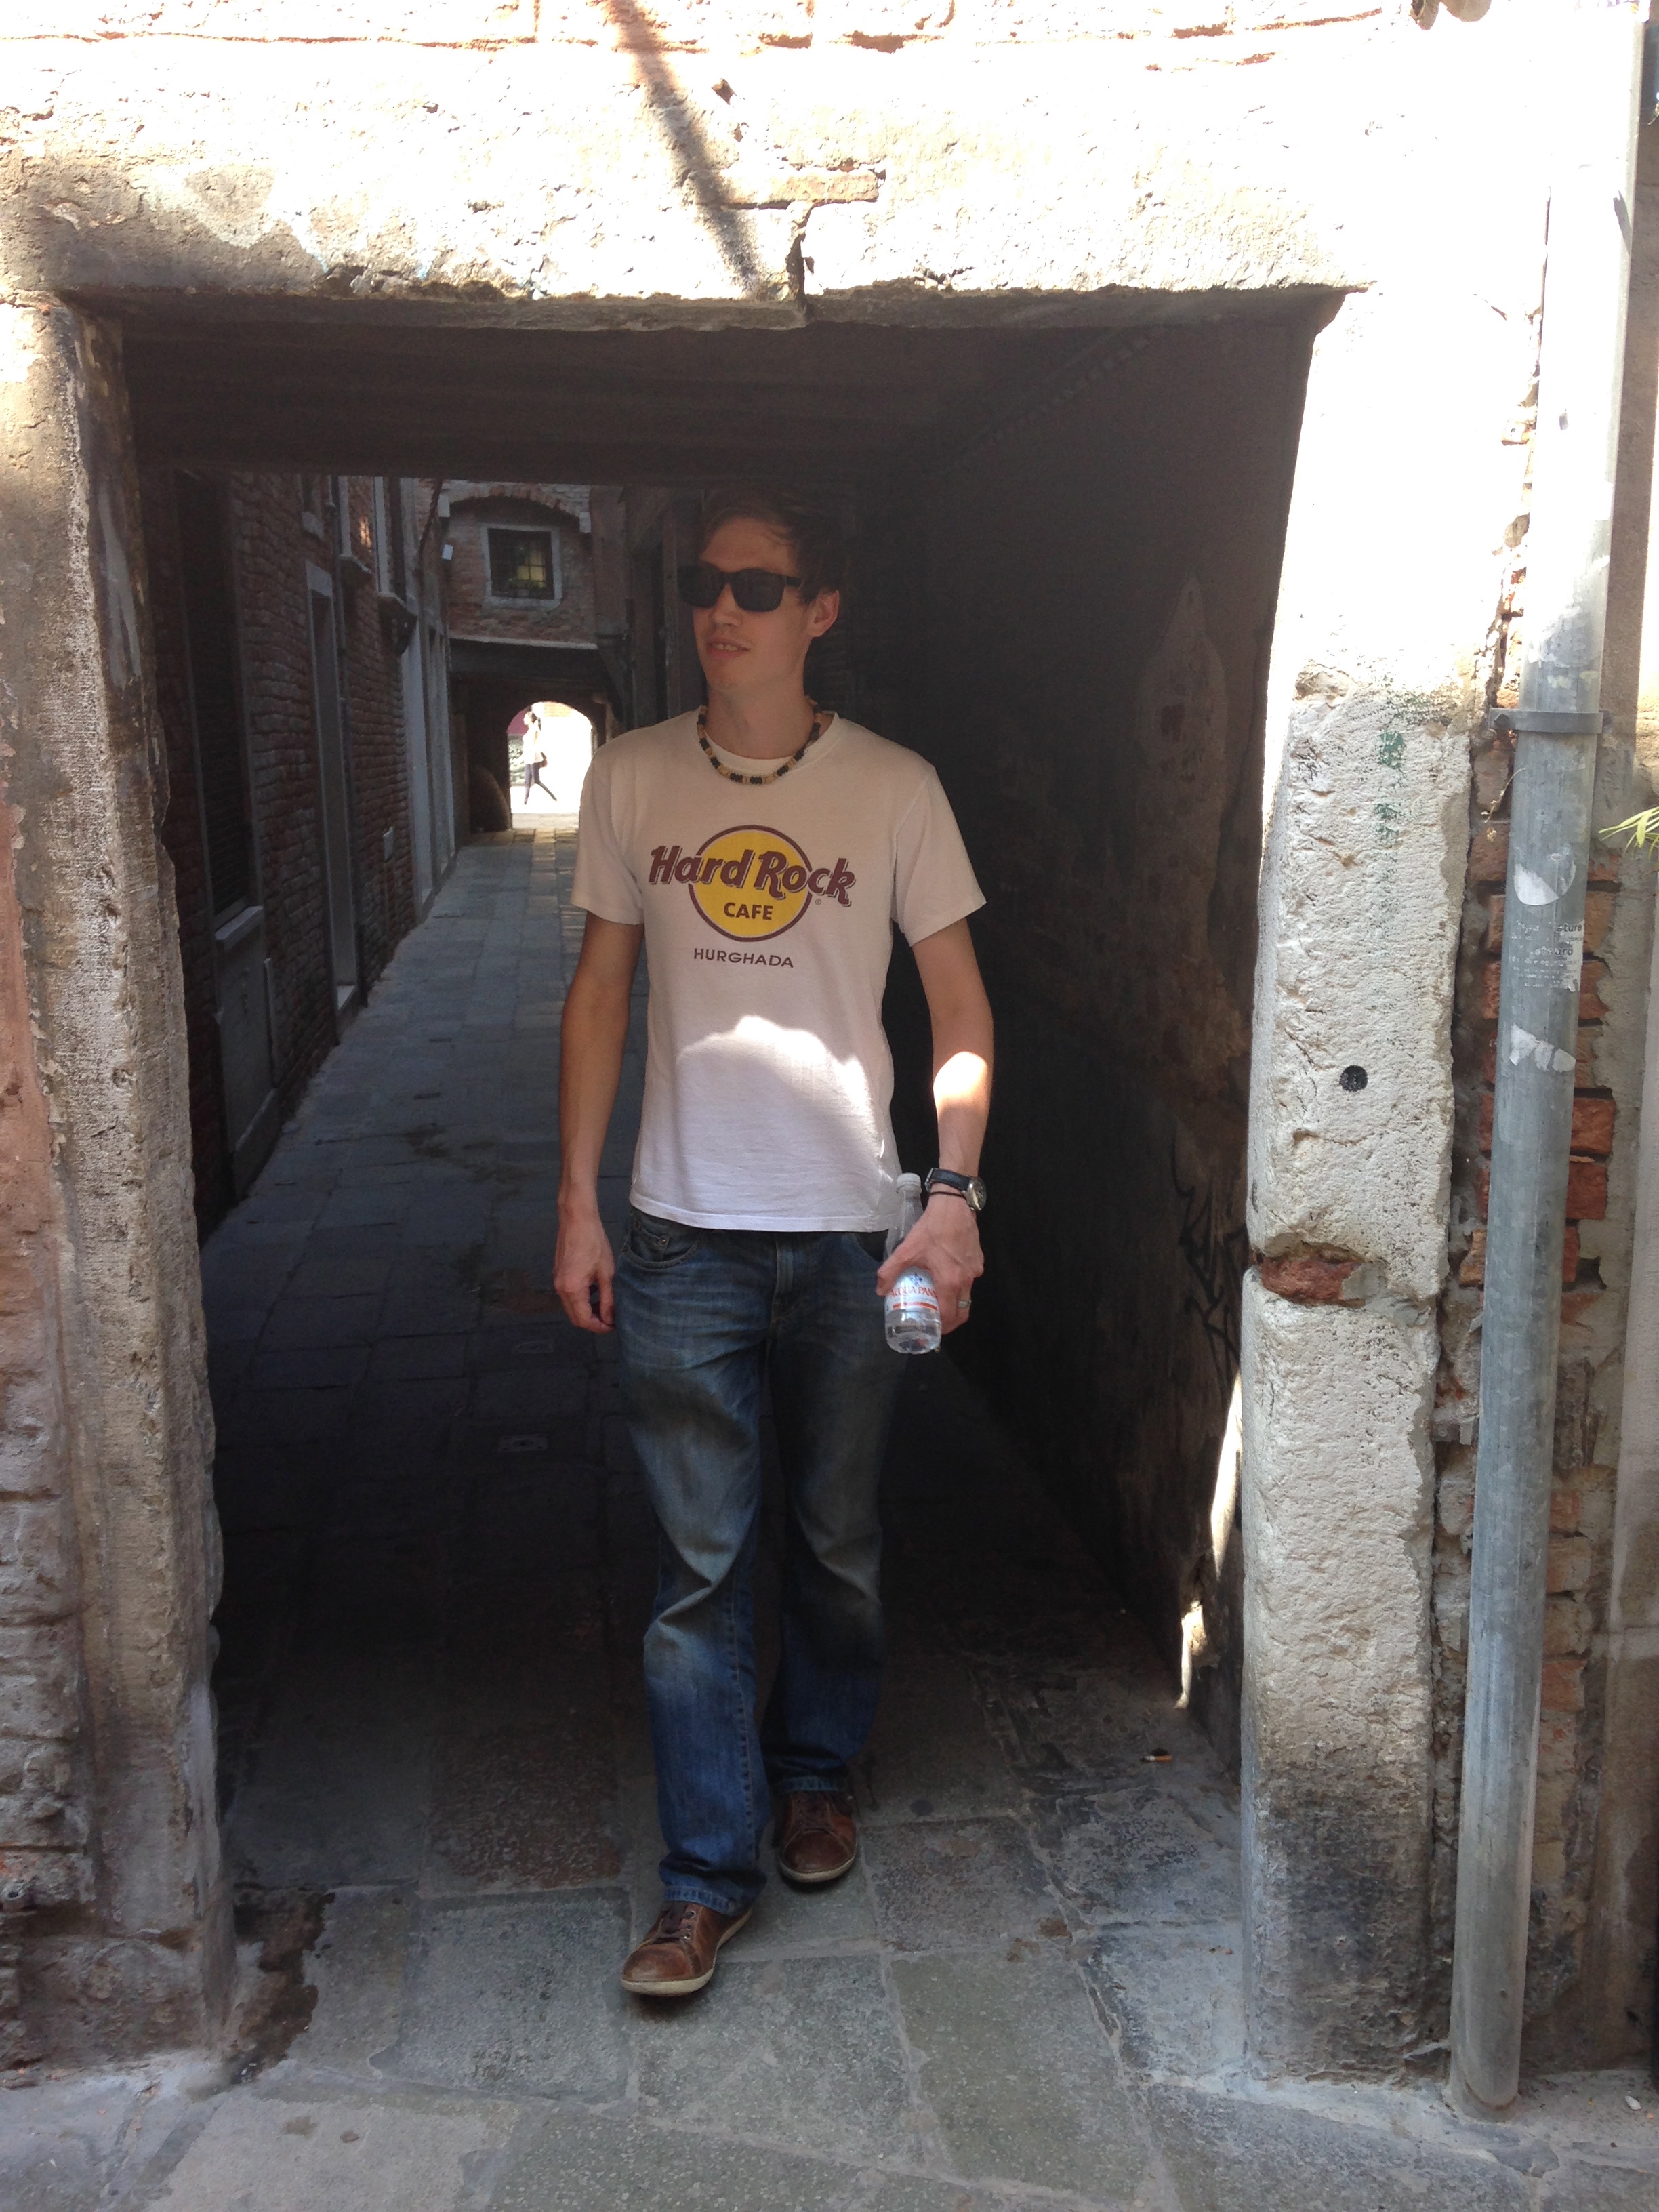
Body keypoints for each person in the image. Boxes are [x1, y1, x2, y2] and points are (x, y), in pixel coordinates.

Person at [554, 486, 994, 1999]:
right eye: (704, 583)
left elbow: (959, 1010)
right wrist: (574, 1198)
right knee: (698, 1571)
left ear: (821, 612)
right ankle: (701, 1877)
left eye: (757, 586)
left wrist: (953, 1193)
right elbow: (599, 997)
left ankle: (815, 1772)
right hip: (683, 1235)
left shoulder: (894, 787)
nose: (720, 609)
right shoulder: (631, 776)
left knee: (835, 1542)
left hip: (855, 1233)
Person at [520, 706, 550, 804]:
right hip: (528, 758)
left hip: (534, 758)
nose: (524, 719)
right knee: (527, 781)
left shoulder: (535, 730)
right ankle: (525, 801)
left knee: (537, 781)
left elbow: (532, 746)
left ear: (530, 719)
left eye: (525, 717)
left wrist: (521, 758)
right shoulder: (531, 730)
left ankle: (553, 796)